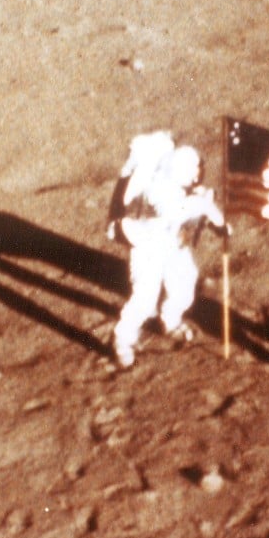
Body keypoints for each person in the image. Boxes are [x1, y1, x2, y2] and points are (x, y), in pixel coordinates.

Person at [110, 132, 227, 368]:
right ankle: (122, 340)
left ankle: (171, 320)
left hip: (173, 243)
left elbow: (195, 206)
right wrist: (214, 215)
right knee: (145, 298)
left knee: (185, 283)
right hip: (148, 247)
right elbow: (184, 209)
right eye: (194, 170)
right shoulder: (161, 190)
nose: (198, 174)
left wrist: (216, 219)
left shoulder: (179, 186)